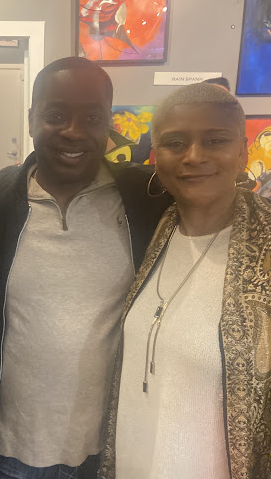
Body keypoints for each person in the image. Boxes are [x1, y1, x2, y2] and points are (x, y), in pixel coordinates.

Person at [0, 57, 171, 479]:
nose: (74, 131)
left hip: (104, 450)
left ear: (109, 123)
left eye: (92, 118)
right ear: (32, 118)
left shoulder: (145, 201)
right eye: (56, 115)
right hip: (10, 449)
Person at [101, 83, 271, 479]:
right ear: (156, 155)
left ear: (243, 151)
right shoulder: (156, 229)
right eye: (175, 143)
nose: (194, 156)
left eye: (215, 140)